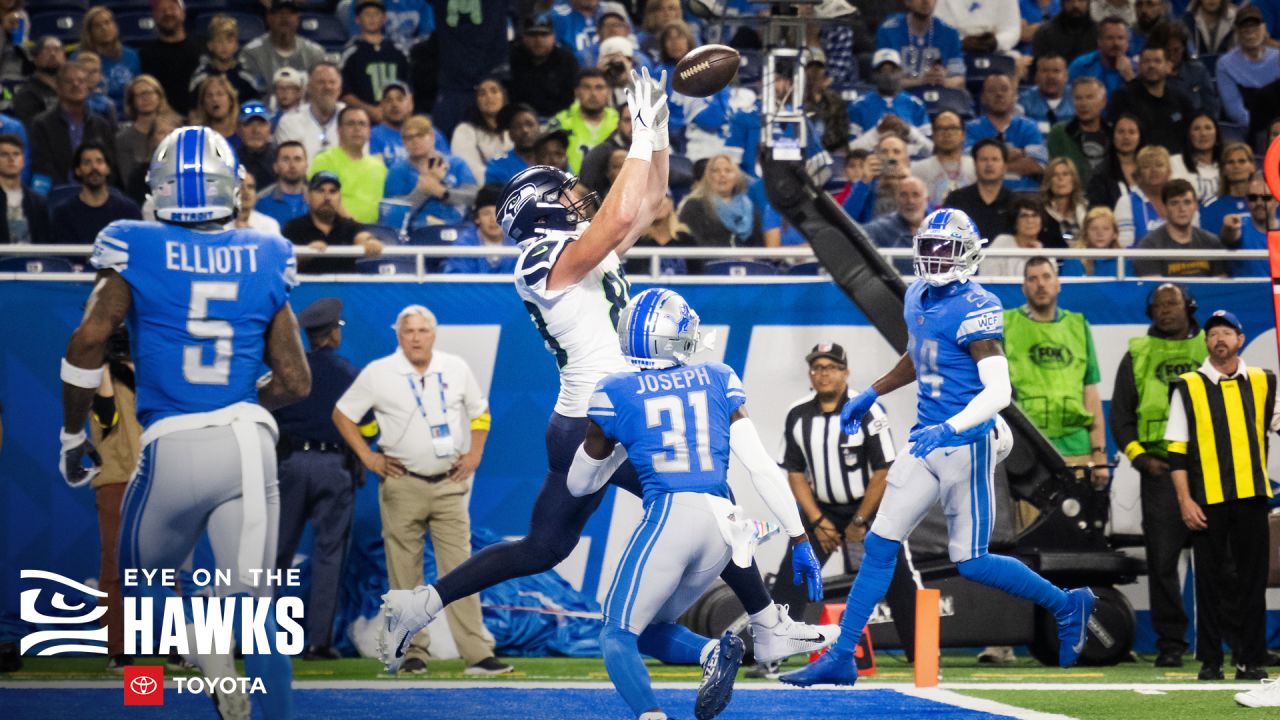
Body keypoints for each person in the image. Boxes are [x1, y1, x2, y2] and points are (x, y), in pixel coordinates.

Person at [378, 70, 836, 684]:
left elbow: (647, 204)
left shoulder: (580, 248)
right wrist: (639, 131)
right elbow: (620, 212)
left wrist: (661, 128)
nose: (578, 197)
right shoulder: (540, 259)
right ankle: (767, 620)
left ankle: (422, 602)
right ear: (539, 213)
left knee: (544, 547)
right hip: (595, 418)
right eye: (565, 196)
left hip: (608, 414)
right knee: (707, 496)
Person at [780, 207, 1096, 687]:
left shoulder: (978, 305)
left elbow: (998, 393)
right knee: (881, 543)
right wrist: (873, 391)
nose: (933, 257)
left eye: (944, 249)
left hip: (967, 442)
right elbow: (920, 353)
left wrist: (950, 429)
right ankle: (843, 653)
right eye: (928, 247)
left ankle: (1065, 602)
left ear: (967, 254)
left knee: (972, 561)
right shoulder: (917, 295)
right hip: (927, 439)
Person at [59, 125, 306, 719]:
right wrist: (237, 401)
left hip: (170, 442)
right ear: (229, 185)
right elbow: (297, 381)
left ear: (160, 187)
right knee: (260, 607)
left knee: (144, 603)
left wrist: (72, 437)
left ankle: (156, 694)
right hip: (248, 442)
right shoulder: (268, 250)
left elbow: (89, 342)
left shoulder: (132, 241)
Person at [571, 288, 820, 719]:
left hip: (672, 515)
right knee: (648, 629)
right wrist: (799, 536)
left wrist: (615, 446)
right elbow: (761, 467)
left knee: (616, 633)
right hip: (724, 523)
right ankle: (712, 651)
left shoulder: (613, 391)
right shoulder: (718, 376)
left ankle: (651, 714)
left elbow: (578, 484)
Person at [332, 304, 511, 676]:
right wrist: (368, 457)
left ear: (434, 334)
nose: (416, 338)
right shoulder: (379, 372)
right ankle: (413, 651)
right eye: (409, 331)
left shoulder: (455, 368)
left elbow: (480, 412)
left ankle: (477, 653)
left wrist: (474, 454)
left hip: (449, 483)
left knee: (463, 570)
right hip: (402, 483)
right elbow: (342, 414)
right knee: (404, 575)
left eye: (422, 331)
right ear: (398, 335)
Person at [769, 343, 918, 655]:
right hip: (821, 508)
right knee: (793, 574)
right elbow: (794, 472)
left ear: (845, 373)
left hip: (871, 508)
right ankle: (774, 652)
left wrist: (859, 521)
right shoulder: (797, 414)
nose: (824, 374)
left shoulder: (867, 409)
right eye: (817, 367)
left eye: (831, 367)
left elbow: (882, 470)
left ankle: (920, 653)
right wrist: (818, 521)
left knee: (896, 575)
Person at [1165, 309, 1275, 683]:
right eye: (1213, 334)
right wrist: (1185, 500)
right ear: (1205, 341)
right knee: (1208, 584)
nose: (1220, 339)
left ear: (1241, 340)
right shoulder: (1189, 386)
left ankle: (1250, 659)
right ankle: (1210, 660)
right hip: (1207, 500)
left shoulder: (1264, 382)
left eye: (1228, 332)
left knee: (1251, 584)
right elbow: (1176, 452)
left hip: (1252, 497)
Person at [1109, 281, 1208, 666]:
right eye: (1159, 305)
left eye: (1174, 303)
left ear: (1189, 306)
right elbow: (1120, 418)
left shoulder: (1210, 348)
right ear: (1151, 312)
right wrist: (1142, 461)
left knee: (1221, 562)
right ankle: (1171, 645)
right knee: (1163, 563)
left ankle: (1232, 640)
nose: (1166, 309)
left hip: (1208, 472)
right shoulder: (1138, 353)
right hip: (1161, 472)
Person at [271, 297, 365, 661]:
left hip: (291, 464)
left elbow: (271, 421)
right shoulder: (348, 374)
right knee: (329, 555)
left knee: (275, 556)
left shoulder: (289, 373)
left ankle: (263, 637)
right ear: (334, 334)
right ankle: (317, 642)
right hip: (334, 467)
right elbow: (366, 426)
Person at [1005, 257, 1110, 486]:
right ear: (1023, 288)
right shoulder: (1006, 325)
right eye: (1032, 279)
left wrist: (1100, 455)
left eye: (1046, 277)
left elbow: (1090, 392)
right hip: (1028, 452)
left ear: (1058, 284)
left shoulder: (1078, 326)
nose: (1040, 284)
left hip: (1077, 450)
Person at [85, 326, 139, 670]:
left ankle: (177, 647)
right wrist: (104, 361)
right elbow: (106, 414)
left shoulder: (152, 382)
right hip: (117, 482)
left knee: (166, 569)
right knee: (115, 569)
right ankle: (118, 650)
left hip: (156, 480)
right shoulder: (99, 381)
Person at [30, 63, 116, 189]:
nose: (76, 85)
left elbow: (110, 167)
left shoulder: (101, 125)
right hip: (58, 194)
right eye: (69, 81)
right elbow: (42, 167)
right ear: (58, 87)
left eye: (80, 81)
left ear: (87, 87)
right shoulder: (41, 124)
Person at [383, 115, 477, 227]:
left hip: (459, 231)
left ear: (432, 136)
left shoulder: (457, 164)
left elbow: (475, 198)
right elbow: (392, 216)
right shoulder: (397, 171)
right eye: (409, 138)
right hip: (417, 234)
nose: (415, 141)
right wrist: (422, 191)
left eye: (420, 135)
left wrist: (443, 192)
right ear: (403, 142)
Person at [282, 171, 384, 273]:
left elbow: (362, 236)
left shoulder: (350, 226)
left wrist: (370, 242)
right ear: (307, 197)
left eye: (333, 191)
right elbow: (284, 261)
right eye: (320, 191)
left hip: (344, 288)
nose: (327, 197)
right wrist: (306, 253)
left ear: (340, 198)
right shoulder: (293, 227)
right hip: (306, 287)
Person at [1105, 45, 1194, 155]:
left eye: (1157, 61)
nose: (1151, 66)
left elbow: (1191, 133)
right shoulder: (1123, 97)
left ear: (1168, 66)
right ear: (1138, 66)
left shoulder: (1181, 98)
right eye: (1146, 61)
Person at [966, 73, 1047, 192]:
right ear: (983, 97)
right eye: (992, 90)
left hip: (1026, 196)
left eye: (1004, 89)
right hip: (983, 195)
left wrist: (990, 166)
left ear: (1014, 95)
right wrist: (1014, 155)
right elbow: (968, 165)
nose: (999, 94)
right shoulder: (971, 128)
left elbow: (1036, 165)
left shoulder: (1029, 127)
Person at [1134, 179, 1232, 277]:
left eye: (1187, 202)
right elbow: (1154, 289)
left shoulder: (1212, 242)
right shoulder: (1150, 246)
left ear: (1196, 206)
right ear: (1164, 208)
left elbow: (1220, 284)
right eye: (1174, 203)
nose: (1182, 209)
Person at [49, 142, 140, 246]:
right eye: (87, 163)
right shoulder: (63, 214)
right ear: (78, 170)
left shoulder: (129, 211)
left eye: (99, 161)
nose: (94, 167)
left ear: (108, 168)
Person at [309, 106, 388, 224]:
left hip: (376, 233)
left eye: (362, 124)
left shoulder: (380, 167)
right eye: (351, 124)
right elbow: (325, 200)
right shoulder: (325, 160)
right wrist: (357, 229)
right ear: (339, 130)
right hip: (338, 231)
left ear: (369, 131)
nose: (357, 128)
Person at [340, 0, 410, 124]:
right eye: (367, 14)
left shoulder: (399, 52)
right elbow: (345, 93)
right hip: (363, 121)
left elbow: (409, 87)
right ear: (358, 19)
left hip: (398, 121)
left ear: (384, 18)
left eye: (376, 14)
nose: (372, 18)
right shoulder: (350, 54)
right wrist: (371, 111)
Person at [678, 155, 766, 247]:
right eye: (716, 171)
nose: (722, 175)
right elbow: (689, 243)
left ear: (736, 177)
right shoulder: (693, 206)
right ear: (708, 177)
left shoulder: (749, 206)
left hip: (747, 260)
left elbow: (759, 243)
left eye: (728, 171)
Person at [877, 0, 966, 89]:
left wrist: (942, 81)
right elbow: (886, 81)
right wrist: (921, 81)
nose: (926, 1)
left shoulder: (950, 33)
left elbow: (959, 80)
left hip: (939, 97)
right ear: (907, 2)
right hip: (900, 99)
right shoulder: (888, 31)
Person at [240, 0, 327, 91]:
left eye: (290, 13)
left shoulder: (315, 53)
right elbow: (251, 91)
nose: (284, 17)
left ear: (298, 19)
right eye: (279, 13)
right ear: (268, 18)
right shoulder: (251, 53)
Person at [1216, 6, 1279, 128]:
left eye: (1255, 28)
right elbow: (1234, 110)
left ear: (1264, 29)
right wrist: (1260, 128)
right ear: (1237, 32)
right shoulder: (1225, 64)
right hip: (1248, 129)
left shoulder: (1278, 58)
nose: (1250, 35)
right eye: (1245, 30)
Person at [509, 13, 581, 119]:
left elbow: (573, 99)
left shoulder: (567, 60)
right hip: (520, 120)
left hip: (559, 121)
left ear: (553, 37)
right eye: (532, 34)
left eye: (544, 34)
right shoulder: (513, 59)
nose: (538, 40)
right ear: (524, 37)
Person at [137, 0, 203, 116]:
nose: (167, 13)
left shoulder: (201, 49)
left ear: (183, 13)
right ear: (154, 16)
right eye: (161, 10)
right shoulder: (146, 54)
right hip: (161, 120)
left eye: (172, 8)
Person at [848, 49, 929, 141]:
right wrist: (877, 132)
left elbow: (929, 148)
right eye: (883, 71)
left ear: (901, 73)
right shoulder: (858, 106)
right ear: (874, 75)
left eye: (893, 70)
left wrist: (908, 130)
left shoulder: (916, 105)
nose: (888, 76)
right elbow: (852, 147)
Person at [944, 138, 1016, 241]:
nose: (989, 164)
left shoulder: (1015, 202)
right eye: (983, 159)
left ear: (1004, 166)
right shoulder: (957, 199)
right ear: (974, 164)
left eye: (995, 159)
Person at [274, 62, 345, 163]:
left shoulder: (351, 120)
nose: (327, 87)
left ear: (340, 89)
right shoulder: (290, 122)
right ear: (309, 88)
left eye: (332, 82)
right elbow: (289, 165)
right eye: (321, 82)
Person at [552, 68, 619, 174]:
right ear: (577, 92)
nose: (593, 93)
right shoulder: (561, 122)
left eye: (599, 88)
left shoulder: (619, 122)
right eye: (586, 87)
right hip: (568, 185)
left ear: (609, 92)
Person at [1047, 76, 1109, 188]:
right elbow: (1053, 173)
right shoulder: (1060, 133)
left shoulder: (1114, 133)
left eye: (1089, 97)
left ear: (1103, 101)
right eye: (1078, 98)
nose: (1083, 104)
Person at [442, 185, 518, 275]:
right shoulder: (464, 244)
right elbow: (459, 285)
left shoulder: (520, 243)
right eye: (486, 214)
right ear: (477, 218)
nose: (493, 220)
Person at [622, 189, 700, 276]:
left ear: (671, 204)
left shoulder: (686, 239)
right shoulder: (636, 240)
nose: (658, 202)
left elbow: (698, 276)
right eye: (653, 198)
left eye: (663, 197)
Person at [189, 15, 263, 105]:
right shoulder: (201, 76)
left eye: (229, 41)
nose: (224, 45)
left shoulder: (246, 75)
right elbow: (193, 106)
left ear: (236, 45)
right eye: (219, 41)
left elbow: (256, 104)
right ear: (210, 45)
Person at [76, 6, 138, 111]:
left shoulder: (131, 55)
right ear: (89, 32)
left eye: (107, 23)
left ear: (115, 26)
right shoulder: (78, 59)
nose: (104, 28)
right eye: (97, 25)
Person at [451, 77, 513, 183]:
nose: (489, 96)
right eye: (482, 94)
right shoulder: (464, 131)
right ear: (476, 101)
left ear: (504, 96)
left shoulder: (516, 128)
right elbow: (470, 170)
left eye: (494, 91)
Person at [115, 75, 174, 185]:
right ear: (132, 101)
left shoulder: (175, 130)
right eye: (140, 95)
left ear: (159, 96)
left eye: (149, 93)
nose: (145, 98)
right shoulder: (123, 139)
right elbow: (128, 180)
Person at [1114, 145, 1174, 247]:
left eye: (1159, 165)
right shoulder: (1126, 202)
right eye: (1146, 166)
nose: (1153, 170)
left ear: (1169, 171)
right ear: (1138, 173)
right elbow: (1123, 246)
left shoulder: (1180, 200)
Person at [863, 175, 930, 265]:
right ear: (896, 199)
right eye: (903, 195)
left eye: (915, 195)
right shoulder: (880, 229)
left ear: (926, 200)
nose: (910, 201)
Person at [1084, 114, 1142, 210]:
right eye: (1121, 132)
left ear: (1140, 136)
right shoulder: (1100, 173)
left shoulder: (1149, 168)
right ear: (1112, 136)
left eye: (1132, 132)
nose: (1126, 137)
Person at [1067, 16, 1135, 96]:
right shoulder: (1081, 66)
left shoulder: (1137, 67)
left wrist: (1130, 78)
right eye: (1110, 38)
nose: (1116, 43)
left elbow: (1143, 105)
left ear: (1127, 43)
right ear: (1099, 41)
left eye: (1120, 38)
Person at [0, 133, 48, 244]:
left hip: (33, 260)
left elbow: (45, 242)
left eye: (16, 154)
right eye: (4, 154)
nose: (11, 159)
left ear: (23, 160)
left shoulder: (38, 202)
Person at [1199, 142, 1255, 237]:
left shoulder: (1265, 202)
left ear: (1252, 167)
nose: (1236, 166)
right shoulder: (1209, 206)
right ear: (1223, 169)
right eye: (1230, 162)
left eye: (1242, 161)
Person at [983, 195, 1048, 277]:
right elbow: (988, 278)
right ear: (1015, 222)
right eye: (1024, 216)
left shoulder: (1045, 253)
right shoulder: (1001, 243)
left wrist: (1038, 254)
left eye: (1034, 215)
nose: (1030, 220)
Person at [933, 0, 1022, 55]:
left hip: (995, 52)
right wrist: (960, 42)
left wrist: (995, 42)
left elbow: (1011, 30)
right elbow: (938, 27)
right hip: (953, 54)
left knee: (1000, 80)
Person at [12, 36, 64, 128]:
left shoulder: (72, 88)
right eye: (46, 50)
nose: (52, 54)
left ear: (64, 58)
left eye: (57, 50)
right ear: (35, 59)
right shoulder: (27, 94)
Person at [485, 104, 541, 187]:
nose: (525, 130)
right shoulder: (497, 167)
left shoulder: (554, 160)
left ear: (539, 128)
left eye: (530, 124)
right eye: (517, 126)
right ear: (510, 134)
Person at [257, 141, 310, 227]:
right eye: (286, 159)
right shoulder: (260, 201)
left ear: (306, 166)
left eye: (297, 159)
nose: (292, 165)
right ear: (276, 167)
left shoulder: (316, 200)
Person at [1169, 114, 1221, 202]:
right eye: (1196, 129)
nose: (1203, 134)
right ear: (1189, 135)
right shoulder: (1174, 162)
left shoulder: (1228, 163)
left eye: (1208, 128)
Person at [1230, 176, 1274, 278]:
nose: (1259, 203)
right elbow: (1229, 236)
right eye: (1253, 198)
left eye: (1266, 198)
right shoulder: (1239, 225)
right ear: (1246, 201)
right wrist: (1229, 228)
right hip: (1246, 292)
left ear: (1276, 199)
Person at [1020, 53, 1075, 135]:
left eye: (1056, 71)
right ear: (1036, 77)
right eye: (1045, 71)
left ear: (1066, 76)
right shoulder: (1023, 101)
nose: (1050, 76)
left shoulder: (1078, 98)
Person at [1060, 206, 1122, 277]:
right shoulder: (1073, 259)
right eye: (1094, 228)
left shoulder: (1123, 261)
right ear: (1086, 233)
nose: (1100, 233)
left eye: (1106, 229)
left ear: (1115, 234)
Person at [368, 82, 419, 167]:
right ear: (381, 106)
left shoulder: (430, 134)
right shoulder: (371, 136)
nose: (394, 105)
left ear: (411, 104)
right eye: (388, 100)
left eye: (400, 99)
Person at [232, 102, 278, 191]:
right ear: (238, 129)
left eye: (261, 124)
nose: (256, 131)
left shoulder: (281, 159)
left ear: (270, 127)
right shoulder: (231, 161)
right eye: (248, 124)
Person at [1032, 0, 1097, 62]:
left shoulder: (1098, 33)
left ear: (1088, 3)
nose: (1075, 5)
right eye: (1070, 1)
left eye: (1081, 0)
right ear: (1062, 3)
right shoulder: (1045, 34)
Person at [1042, 157, 1087, 241]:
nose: (1060, 179)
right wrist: (1072, 237)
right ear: (1049, 181)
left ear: (1073, 179)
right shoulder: (1041, 212)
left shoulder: (1086, 209)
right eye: (1055, 175)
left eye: (1065, 174)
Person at [189, 75, 239, 141]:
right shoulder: (196, 136)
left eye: (220, 94)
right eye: (209, 95)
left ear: (231, 101)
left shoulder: (243, 134)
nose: (214, 99)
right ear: (203, 103)